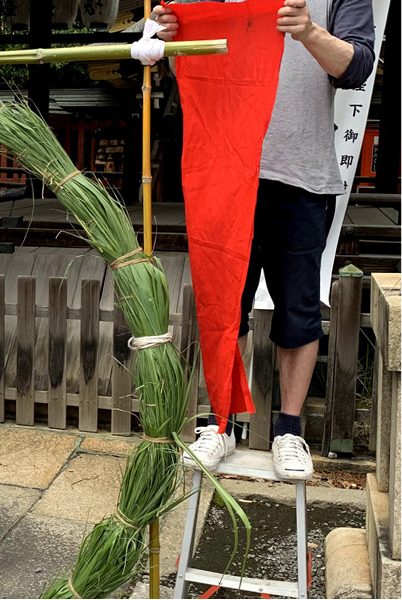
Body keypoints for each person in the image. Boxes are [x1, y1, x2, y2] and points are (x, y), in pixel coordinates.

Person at [154, 0, 375, 479]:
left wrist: (310, 32)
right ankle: (218, 422)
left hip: (299, 172)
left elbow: (358, 66)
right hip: (224, 166)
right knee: (222, 303)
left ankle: (289, 429)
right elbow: (165, 47)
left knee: (298, 309)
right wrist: (165, 34)